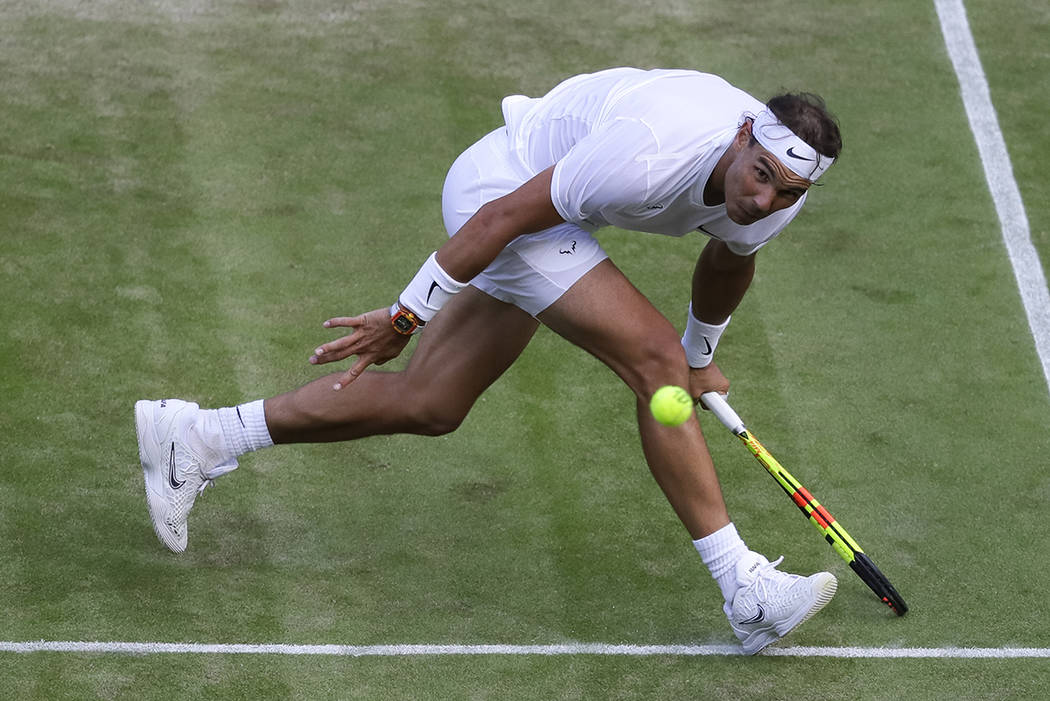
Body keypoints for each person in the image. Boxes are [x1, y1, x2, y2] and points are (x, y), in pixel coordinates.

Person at [135, 67, 843, 654]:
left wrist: (702, 354)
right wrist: (405, 316)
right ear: (745, 135)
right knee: (652, 360)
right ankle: (743, 588)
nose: (764, 199)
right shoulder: (653, 149)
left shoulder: (779, 188)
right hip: (500, 188)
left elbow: (728, 258)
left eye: (787, 191)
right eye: (760, 176)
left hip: (561, 211)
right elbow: (502, 219)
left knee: (432, 403)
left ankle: (197, 435)